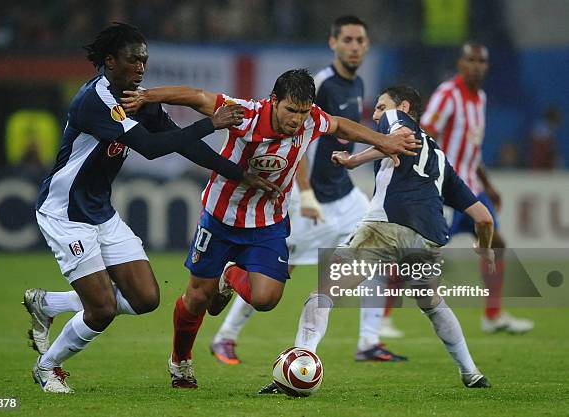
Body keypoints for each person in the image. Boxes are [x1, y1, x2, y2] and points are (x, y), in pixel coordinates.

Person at [121, 69, 421, 388]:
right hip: (221, 218)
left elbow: (340, 123)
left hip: (267, 222)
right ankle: (180, 362)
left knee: (266, 299)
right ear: (273, 101)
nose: (296, 119)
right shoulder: (245, 114)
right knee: (197, 298)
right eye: (291, 110)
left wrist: (385, 141)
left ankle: (229, 276)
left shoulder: (310, 121)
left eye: (303, 112)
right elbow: (196, 96)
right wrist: (147, 95)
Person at [22, 22, 279, 394]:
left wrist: (240, 174)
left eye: (144, 60)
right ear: (109, 61)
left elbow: (178, 143)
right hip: (65, 214)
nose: (141, 67)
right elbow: (151, 148)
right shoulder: (95, 101)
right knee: (103, 310)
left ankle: (47, 304)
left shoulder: (137, 99)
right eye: (133, 60)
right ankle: (48, 367)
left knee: (145, 298)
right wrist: (212, 123)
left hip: (100, 212)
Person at [260, 85, 495, 393]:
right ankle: (471, 372)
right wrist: (484, 247)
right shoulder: (439, 159)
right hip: (427, 241)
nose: (375, 114)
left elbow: (393, 138)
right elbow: (483, 218)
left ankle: (301, 365)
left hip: (384, 228)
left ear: (404, 107)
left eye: (381, 106)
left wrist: (362, 153)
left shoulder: (398, 120)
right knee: (434, 305)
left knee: (323, 293)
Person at [209, 15, 406, 366]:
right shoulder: (323, 84)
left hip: (344, 197)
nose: (355, 46)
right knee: (277, 273)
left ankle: (369, 341)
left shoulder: (356, 84)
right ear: (333, 43)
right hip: (308, 199)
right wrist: (307, 194)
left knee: (377, 254)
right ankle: (226, 336)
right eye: (347, 40)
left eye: (360, 40)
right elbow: (293, 142)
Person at [420, 42, 533, 334]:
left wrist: (489, 185)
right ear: (460, 63)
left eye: (482, 61)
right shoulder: (447, 95)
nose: (477, 66)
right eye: (471, 60)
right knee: (420, 253)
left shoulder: (480, 97)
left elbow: (473, 148)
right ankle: (381, 319)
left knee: (497, 244)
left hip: (473, 190)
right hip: (446, 189)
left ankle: (492, 316)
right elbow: (425, 134)